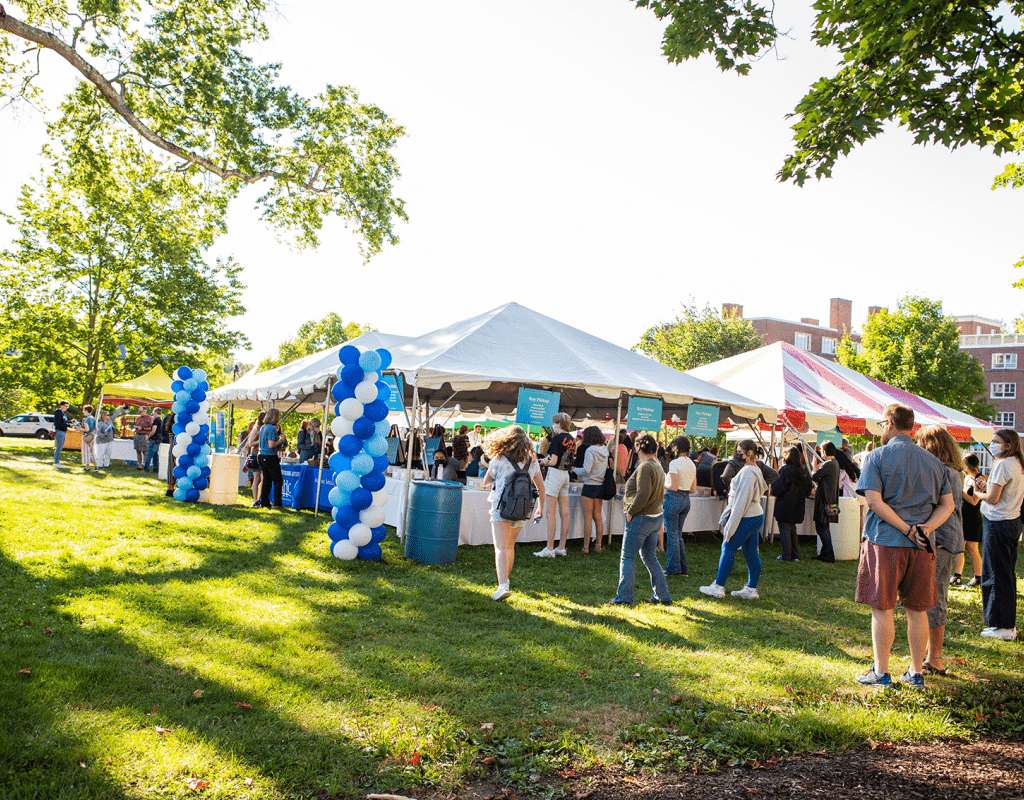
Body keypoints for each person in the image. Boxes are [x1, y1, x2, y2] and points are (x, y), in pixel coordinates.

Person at [855, 403, 954, 689]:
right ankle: (915, 672)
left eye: (880, 424)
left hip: (885, 541)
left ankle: (881, 672)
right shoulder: (934, 462)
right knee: (918, 609)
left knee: (882, 607)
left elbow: (874, 500)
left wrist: (906, 529)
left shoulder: (876, 456)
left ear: (889, 423)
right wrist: (925, 528)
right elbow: (947, 505)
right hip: (923, 545)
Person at [915, 425, 965, 676]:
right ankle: (927, 653)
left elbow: (940, 507)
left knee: (934, 598)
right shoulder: (950, 471)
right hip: (942, 539)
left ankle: (935, 658)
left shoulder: (946, 472)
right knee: (929, 597)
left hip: (942, 540)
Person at [480, 425, 545, 602]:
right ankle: (505, 581)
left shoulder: (499, 459)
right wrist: (540, 508)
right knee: (509, 546)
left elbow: (486, 482)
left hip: (502, 508)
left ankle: (502, 586)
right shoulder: (532, 461)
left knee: (501, 547)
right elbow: (541, 487)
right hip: (522, 509)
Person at [971, 428, 1024, 641]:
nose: (992, 444)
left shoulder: (1003, 464)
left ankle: (1000, 625)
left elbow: (992, 498)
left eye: (996, 441)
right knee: (1005, 573)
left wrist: (978, 493)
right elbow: (1001, 493)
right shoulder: (1017, 464)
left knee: (995, 574)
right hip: (1011, 521)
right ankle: (1006, 624)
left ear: (1008, 445)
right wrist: (987, 487)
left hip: (998, 522)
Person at [700, 439, 767, 600]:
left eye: (740, 451)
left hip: (747, 515)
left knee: (728, 547)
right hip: (754, 514)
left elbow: (741, 502)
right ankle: (751, 589)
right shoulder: (753, 469)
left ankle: (718, 586)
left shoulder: (748, 472)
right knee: (750, 551)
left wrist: (731, 524)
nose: (737, 454)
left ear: (749, 453)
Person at [611, 434, 671, 605]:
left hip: (642, 517)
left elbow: (643, 493)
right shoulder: (657, 465)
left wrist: (631, 511)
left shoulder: (645, 467)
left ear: (637, 447)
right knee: (650, 557)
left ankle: (624, 599)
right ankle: (662, 595)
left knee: (627, 557)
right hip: (654, 517)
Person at [536, 413, 575, 557]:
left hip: (555, 474)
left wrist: (543, 462)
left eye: (554, 423)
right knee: (565, 512)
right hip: (565, 475)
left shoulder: (557, 438)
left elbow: (552, 461)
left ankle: (549, 548)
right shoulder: (572, 439)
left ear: (558, 424)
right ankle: (561, 547)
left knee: (550, 512)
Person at [771, 445, 813, 562]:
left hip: (785, 503)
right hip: (798, 504)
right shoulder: (804, 471)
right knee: (792, 530)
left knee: (785, 529)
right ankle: (795, 555)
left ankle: (786, 555)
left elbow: (777, 488)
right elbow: (808, 489)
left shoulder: (785, 470)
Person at [663, 435, 696, 576]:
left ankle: (673, 569)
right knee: (678, 535)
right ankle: (683, 569)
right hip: (686, 499)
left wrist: (664, 481)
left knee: (672, 536)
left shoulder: (674, 463)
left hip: (674, 499)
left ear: (677, 447)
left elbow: (673, 486)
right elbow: (693, 489)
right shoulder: (692, 463)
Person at [574, 426, 609, 554]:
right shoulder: (605, 450)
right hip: (600, 485)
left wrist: (573, 469)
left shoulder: (590, 450)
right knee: (598, 517)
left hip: (589, 485)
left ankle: (585, 548)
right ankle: (599, 545)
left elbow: (585, 470)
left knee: (588, 518)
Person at [951, 453, 984, 588]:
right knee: (960, 546)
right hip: (963, 514)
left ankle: (979, 577)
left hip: (973, 516)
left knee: (972, 547)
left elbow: (975, 501)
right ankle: (957, 576)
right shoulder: (967, 478)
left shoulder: (980, 478)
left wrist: (958, 491)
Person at [811, 442, 841, 563]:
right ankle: (825, 554)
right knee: (825, 528)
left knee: (821, 528)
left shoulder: (828, 464)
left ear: (825, 451)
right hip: (832, 501)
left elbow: (814, 477)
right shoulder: (836, 463)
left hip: (824, 501)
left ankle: (829, 555)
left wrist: (814, 470)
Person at [257, 408, 286, 509]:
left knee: (267, 480)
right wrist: (281, 440)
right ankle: (278, 504)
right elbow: (271, 444)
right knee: (278, 480)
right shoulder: (271, 428)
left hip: (261, 455)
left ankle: (264, 502)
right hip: (269, 456)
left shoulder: (263, 427)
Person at [246, 412, 265, 507]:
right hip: (255, 455)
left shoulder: (263, 429)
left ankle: (260, 498)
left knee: (263, 478)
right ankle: (255, 499)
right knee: (256, 478)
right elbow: (250, 443)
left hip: (262, 454)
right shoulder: (256, 429)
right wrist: (261, 440)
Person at [79, 405, 99, 471]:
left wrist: (79, 429)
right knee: (92, 451)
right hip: (92, 437)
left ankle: (87, 467)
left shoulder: (86, 419)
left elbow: (86, 429)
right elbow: (96, 428)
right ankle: (96, 466)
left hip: (86, 437)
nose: (83, 412)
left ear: (86, 411)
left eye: (84, 410)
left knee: (86, 452)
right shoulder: (93, 418)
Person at [143, 409, 163, 473]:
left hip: (154, 439)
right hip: (158, 439)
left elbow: (153, 430)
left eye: (153, 412)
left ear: (156, 412)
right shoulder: (161, 420)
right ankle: (156, 469)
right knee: (155, 455)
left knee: (149, 454)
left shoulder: (156, 420)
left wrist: (148, 436)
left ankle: (146, 469)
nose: (153, 414)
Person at [52, 401, 70, 467]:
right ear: (61, 405)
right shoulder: (58, 413)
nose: (66, 408)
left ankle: (57, 462)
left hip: (63, 432)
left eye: (67, 406)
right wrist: (68, 425)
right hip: (59, 431)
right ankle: (56, 463)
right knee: (58, 448)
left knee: (60, 448)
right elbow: (58, 424)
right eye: (65, 406)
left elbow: (64, 422)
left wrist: (70, 422)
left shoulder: (63, 414)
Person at [163, 411, 177, 497]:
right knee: (174, 467)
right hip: (178, 448)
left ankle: (170, 489)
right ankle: (170, 489)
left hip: (172, 448)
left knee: (171, 468)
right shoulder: (177, 426)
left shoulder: (171, 425)